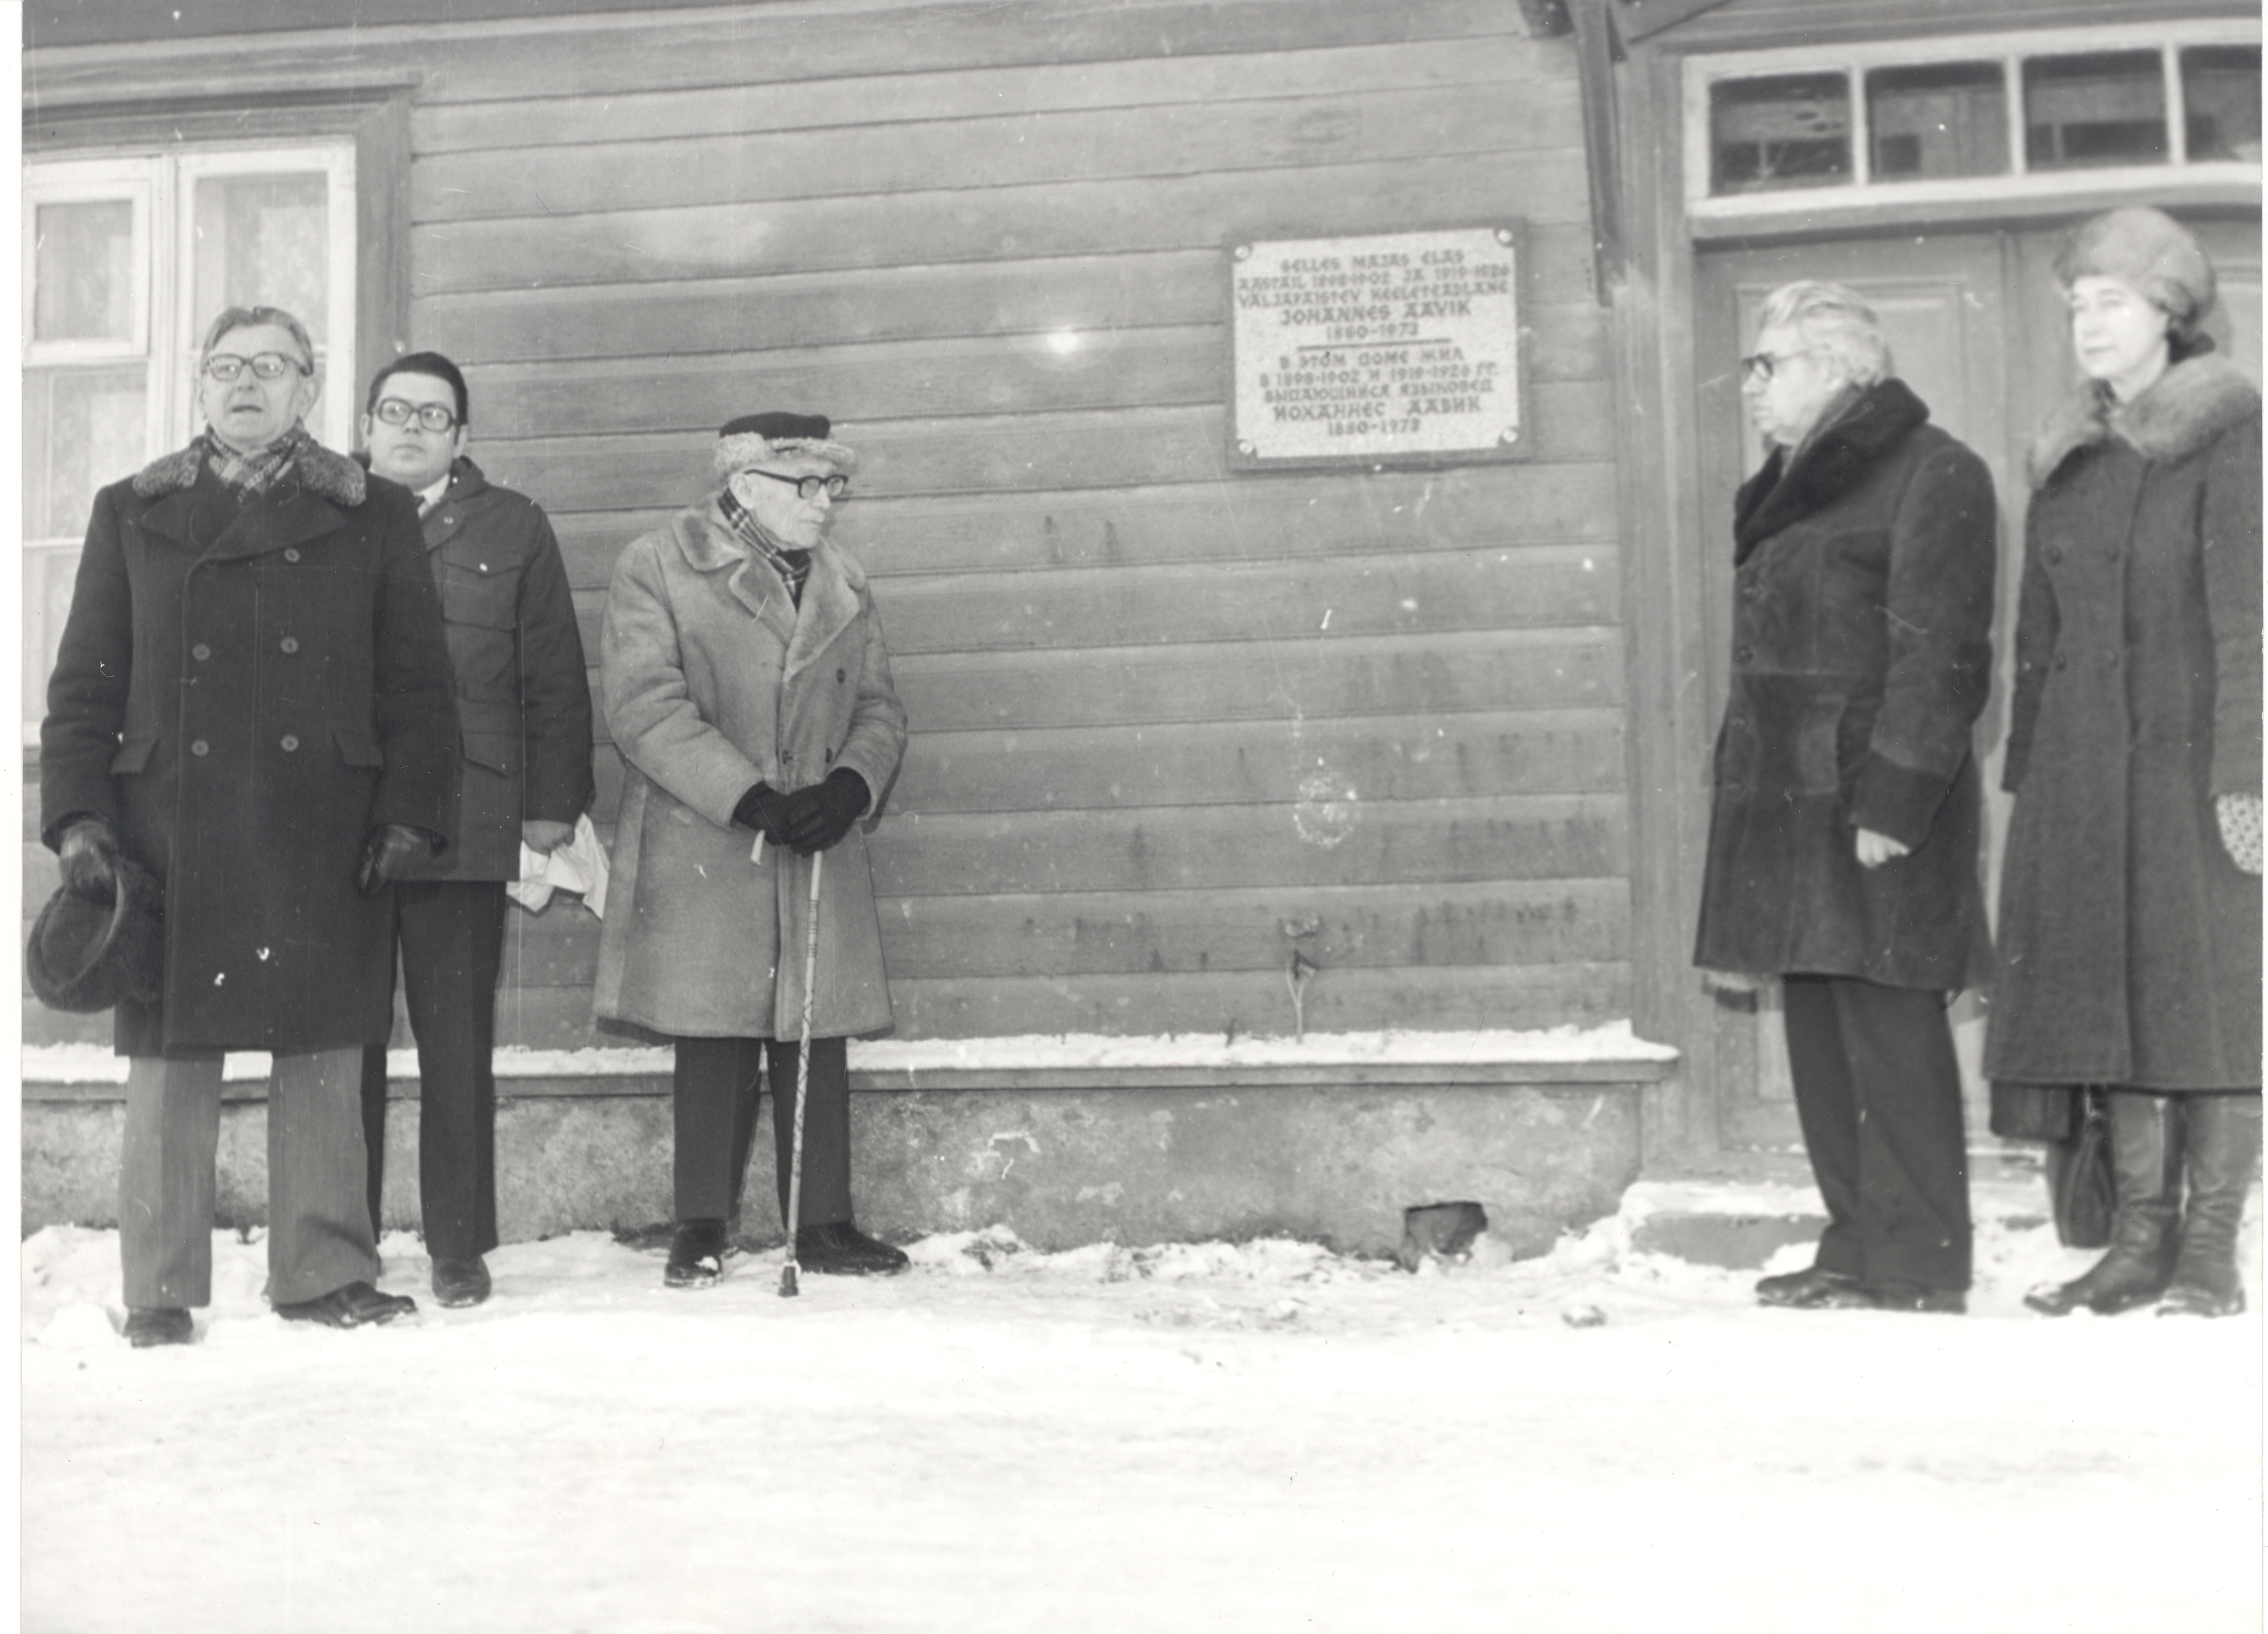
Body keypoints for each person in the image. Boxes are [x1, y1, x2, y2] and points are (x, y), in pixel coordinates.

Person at [40, 305, 459, 1345]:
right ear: (200, 385)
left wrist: (411, 806)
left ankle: (322, 1272)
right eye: (225, 367)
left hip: (322, 813)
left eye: (270, 368)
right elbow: (85, 683)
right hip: (169, 822)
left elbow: (417, 684)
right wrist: (79, 816)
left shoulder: (373, 515)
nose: (245, 385)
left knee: (321, 1042)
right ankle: (160, 1288)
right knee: (170, 1057)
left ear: (309, 389)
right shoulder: (131, 509)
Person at [1693, 282, 1997, 1316]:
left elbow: (1944, 655)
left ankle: (1917, 1266)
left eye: (1766, 365)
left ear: (1837, 369)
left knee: (1890, 1026)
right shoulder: (1792, 482)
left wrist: (1895, 802)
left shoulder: (1934, 471)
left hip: (1872, 802)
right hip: (1788, 800)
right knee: (1821, 1028)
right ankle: (1856, 1243)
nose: (1750, 388)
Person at [1992, 208, 2262, 1321]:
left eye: (2109, 302)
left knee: (2208, 1002)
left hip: (2193, 770)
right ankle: (2135, 1244)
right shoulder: (2068, 454)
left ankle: (2208, 1251)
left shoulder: (2230, 433)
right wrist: (2029, 783)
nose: (2086, 326)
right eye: (2074, 308)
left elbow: (2252, 625)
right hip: (2081, 779)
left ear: (2169, 312)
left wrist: (2250, 777)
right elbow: (2035, 637)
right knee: (2120, 1007)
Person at [594, 412, 910, 1285]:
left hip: (817, 829)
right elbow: (645, 707)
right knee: (713, 1026)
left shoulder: (843, 580)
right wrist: (750, 797)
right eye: (803, 485)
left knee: (817, 1018)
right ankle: (701, 1222)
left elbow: (881, 707)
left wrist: (849, 786)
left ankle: (823, 1222)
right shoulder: (656, 565)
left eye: (831, 487)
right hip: (710, 831)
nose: (824, 504)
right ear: (743, 486)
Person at [355, 352, 596, 1309]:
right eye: (394, 411)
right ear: (367, 424)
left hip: (467, 818)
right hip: (352, 825)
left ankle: (458, 1244)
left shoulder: (513, 526)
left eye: (433, 415)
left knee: (458, 1042)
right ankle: (346, 1235)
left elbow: (554, 674)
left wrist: (549, 806)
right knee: (348, 1041)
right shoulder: (328, 516)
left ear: (462, 437)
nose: (411, 428)